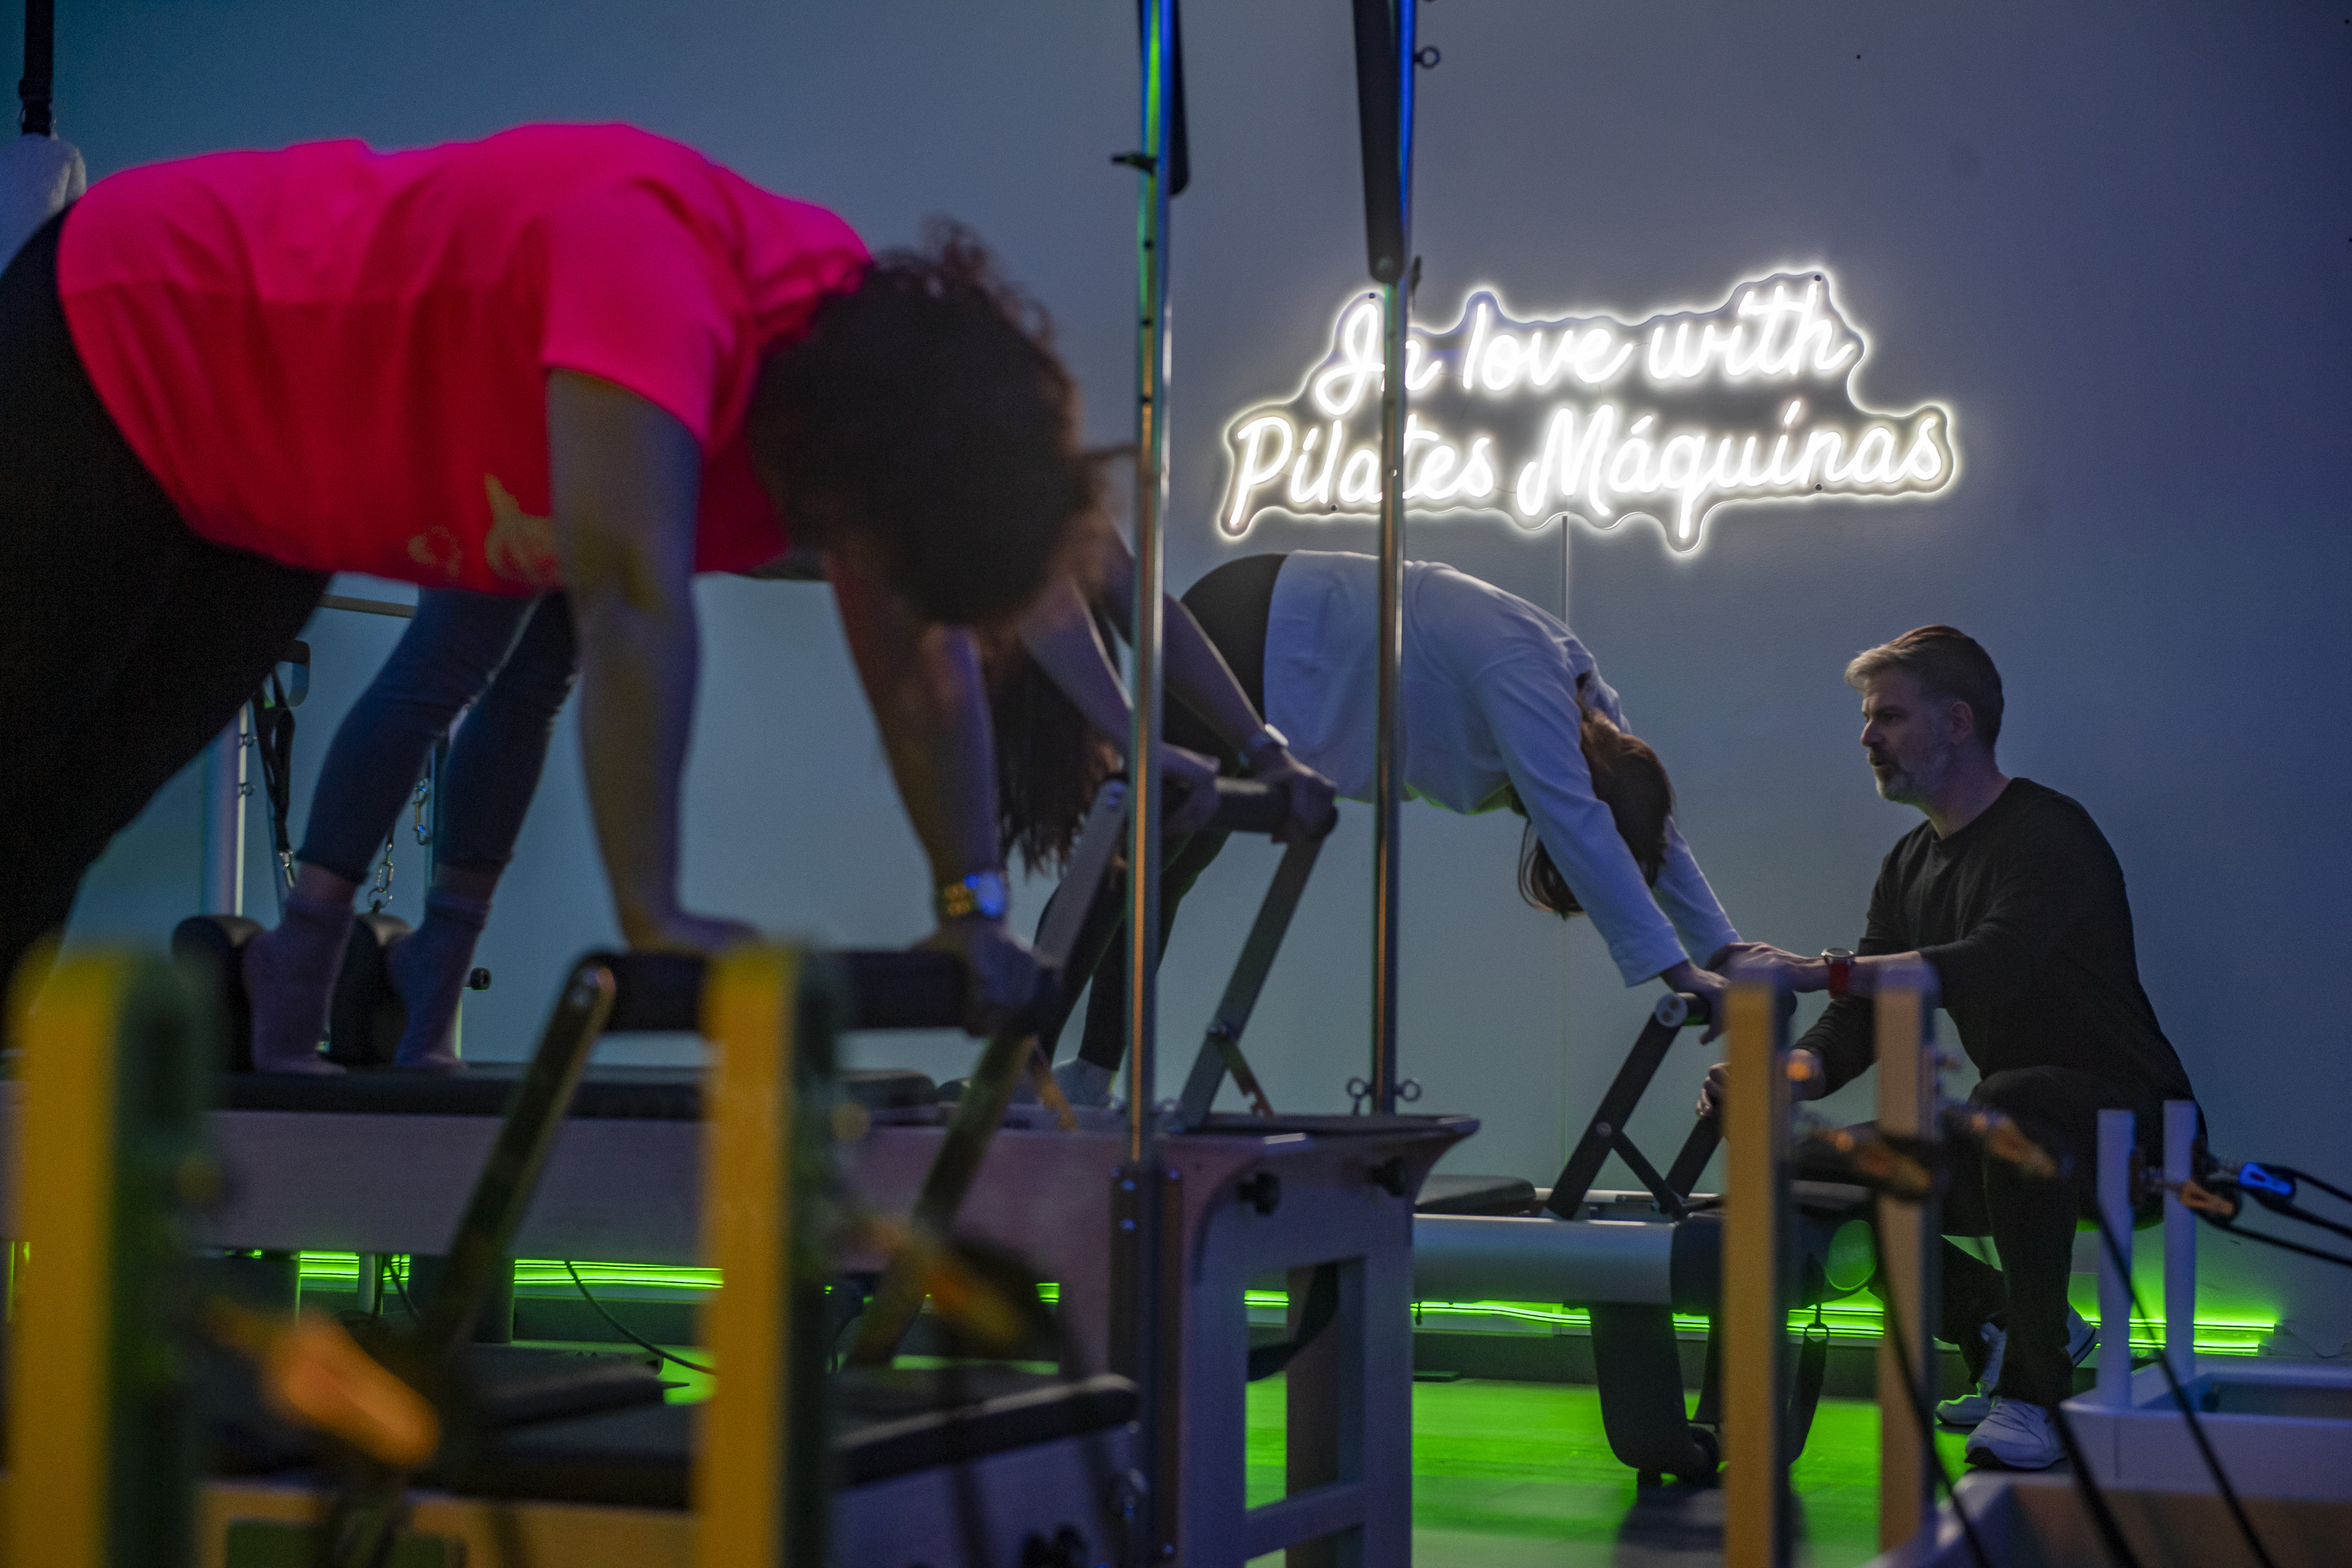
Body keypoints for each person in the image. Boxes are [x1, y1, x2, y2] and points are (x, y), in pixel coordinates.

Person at [0, 123, 1098, 1032]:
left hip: (262, 493)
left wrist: (972, 910)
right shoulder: (666, 266)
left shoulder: (849, 422)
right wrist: (655, 914)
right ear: (872, 466)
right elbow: (631, 602)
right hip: (136, 322)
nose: (881, 590)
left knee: (58, 832)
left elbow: (924, 661)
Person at [1700, 625, 2197, 1471]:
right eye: (1868, 718)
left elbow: (1994, 963)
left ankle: (2035, 1392)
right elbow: (1862, 1018)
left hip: (2135, 1131)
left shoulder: (2049, 832)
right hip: (2009, 1130)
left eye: (1889, 716)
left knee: (2015, 1096)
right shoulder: (1908, 863)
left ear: (1958, 721)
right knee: (1806, 1157)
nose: (1867, 738)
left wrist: (1821, 971)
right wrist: (1787, 1074)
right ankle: (2001, 1318)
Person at [1007, 549, 1744, 1105]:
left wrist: (1725, 948)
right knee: (1131, 859)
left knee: (1169, 871)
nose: (1523, 816)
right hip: (1253, 625)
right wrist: (1676, 968)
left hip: (1277, 639)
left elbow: (1646, 831)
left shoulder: (1594, 715)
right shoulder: (1530, 681)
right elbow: (1581, 821)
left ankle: (1087, 1076)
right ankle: (1018, 1073)